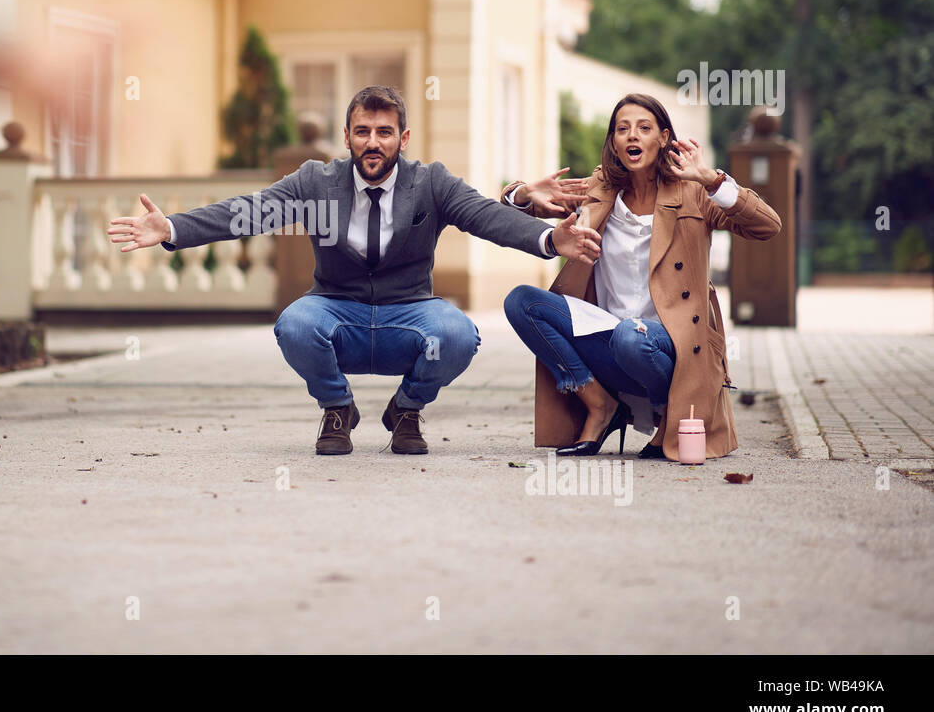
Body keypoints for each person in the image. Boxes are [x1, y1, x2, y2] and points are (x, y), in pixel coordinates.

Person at [107, 85, 601, 456]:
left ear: (402, 138)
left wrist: (548, 239)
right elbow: (247, 211)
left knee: (457, 334)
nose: (372, 142)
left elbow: (485, 216)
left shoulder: (431, 184)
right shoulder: (314, 183)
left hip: (410, 315)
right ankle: (337, 408)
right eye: (362, 131)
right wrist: (172, 228)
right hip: (336, 312)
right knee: (295, 323)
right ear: (346, 136)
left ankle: (406, 410)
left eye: (384, 132)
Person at [503, 93, 781, 460]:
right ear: (614, 143)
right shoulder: (600, 189)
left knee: (632, 337)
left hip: (669, 345)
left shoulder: (694, 193)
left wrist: (713, 180)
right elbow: (514, 207)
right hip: (608, 333)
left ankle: (668, 415)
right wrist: (521, 193)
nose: (632, 136)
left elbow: (768, 226)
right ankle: (599, 404)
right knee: (523, 302)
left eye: (644, 128)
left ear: (664, 138)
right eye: (623, 129)